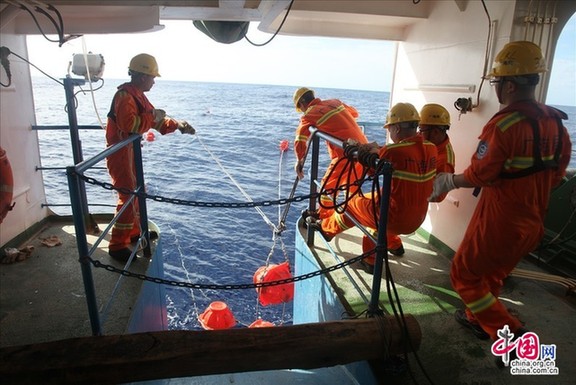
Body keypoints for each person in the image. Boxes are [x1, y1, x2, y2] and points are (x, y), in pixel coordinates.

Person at [429, 41, 572, 347]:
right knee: (492, 274)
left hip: (501, 220)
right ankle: (476, 318)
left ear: (507, 85)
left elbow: (481, 173)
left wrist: (448, 182)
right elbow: (557, 177)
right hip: (532, 223)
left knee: (464, 275)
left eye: (496, 82)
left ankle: (510, 334)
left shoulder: (504, 125)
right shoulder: (558, 126)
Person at [310, 103, 437, 272]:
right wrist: (375, 149)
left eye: (389, 128)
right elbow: (401, 154)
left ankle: (331, 233)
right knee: (373, 199)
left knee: (351, 203)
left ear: (397, 128)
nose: (389, 132)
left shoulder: (394, 152)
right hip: (417, 219)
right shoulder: (432, 148)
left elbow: (371, 169)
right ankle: (394, 244)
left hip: (394, 219)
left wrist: (358, 151)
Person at [106, 53, 195, 260]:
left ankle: (135, 233)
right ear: (142, 76)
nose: (154, 81)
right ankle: (117, 245)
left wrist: (178, 125)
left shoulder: (137, 95)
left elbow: (156, 121)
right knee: (128, 194)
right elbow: (131, 125)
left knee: (138, 191)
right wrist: (152, 117)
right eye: (152, 77)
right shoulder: (124, 96)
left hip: (129, 151)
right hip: (119, 152)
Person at [292, 87, 368, 221]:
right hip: (363, 148)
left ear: (302, 103)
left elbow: (300, 139)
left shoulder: (309, 115)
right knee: (352, 186)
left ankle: (323, 219)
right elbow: (355, 113)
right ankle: (353, 215)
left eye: (300, 107)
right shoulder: (335, 102)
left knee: (328, 187)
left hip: (345, 154)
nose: (302, 110)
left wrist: (299, 160)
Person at [418, 103, 455, 203]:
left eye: (421, 129)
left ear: (435, 132)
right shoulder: (427, 140)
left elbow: (438, 195)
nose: (419, 133)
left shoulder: (445, 161)